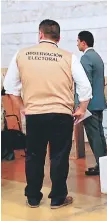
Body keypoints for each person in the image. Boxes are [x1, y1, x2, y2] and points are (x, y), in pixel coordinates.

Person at [3, 19, 92, 209]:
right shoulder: (69, 57)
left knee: (34, 156)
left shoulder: (22, 54)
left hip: (35, 114)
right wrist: (82, 108)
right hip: (61, 115)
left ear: (40, 34)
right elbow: (85, 86)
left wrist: (22, 107)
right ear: (59, 38)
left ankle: (33, 197)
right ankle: (58, 198)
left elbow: (10, 86)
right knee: (59, 156)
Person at [76, 31, 107, 176]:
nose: (77, 44)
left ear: (83, 42)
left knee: (94, 135)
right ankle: (105, 163)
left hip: (90, 104)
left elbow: (85, 83)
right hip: (99, 102)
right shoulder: (97, 57)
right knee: (99, 134)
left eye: (78, 41)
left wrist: (80, 104)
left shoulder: (86, 58)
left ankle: (101, 165)